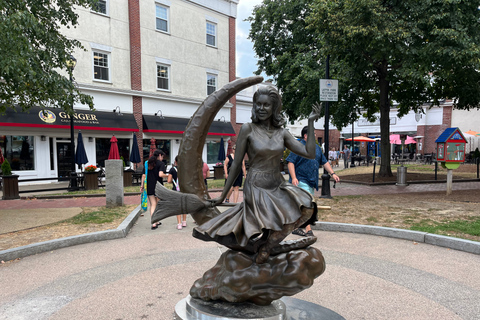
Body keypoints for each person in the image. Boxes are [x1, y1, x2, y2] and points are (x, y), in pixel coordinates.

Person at [195, 86, 321, 264]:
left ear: (274, 108)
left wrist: (310, 123)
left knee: (306, 207)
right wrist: (224, 194)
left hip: (278, 183)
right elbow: (237, 164)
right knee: (269, 220)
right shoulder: (248, 129)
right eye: (258, 104)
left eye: (266, 105)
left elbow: (309, 153)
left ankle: (267, 247)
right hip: (256, 185)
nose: (261, 108)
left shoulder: (282, 133)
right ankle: (264, 248)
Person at [286, 126, 340, 237]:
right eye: (313, 134)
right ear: (305, 136)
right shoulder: (299, 146)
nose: (315, 135)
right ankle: (308, 230)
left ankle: (296, 227)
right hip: (301, 180)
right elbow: (290, 162)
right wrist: (294, 177)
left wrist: (333, 174)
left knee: (304, 206)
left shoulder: (317, 148)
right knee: (308, 205)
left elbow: (324, 162)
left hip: (312, 181)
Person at [140, 149, 167, 229]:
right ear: (159, 155)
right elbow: (160, 174)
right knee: (158, 204)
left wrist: (142, 186)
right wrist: (168, 175)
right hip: (158, 187)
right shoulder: (161, 164)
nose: (162, 158)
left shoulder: (147, 163)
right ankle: (156, 221)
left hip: (149, 186)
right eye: (162, 156)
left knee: (152, 204)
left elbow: (143, 176)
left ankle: (154, 222)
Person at [168, 156, 187, 230]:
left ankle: (179, 224)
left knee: (177, 207)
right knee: (184, 205)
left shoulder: (172, 170)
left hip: (176, 190)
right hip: (184, 189)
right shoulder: (185, 169)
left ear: (175, 161)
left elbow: (169, 180)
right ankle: (184, 221)